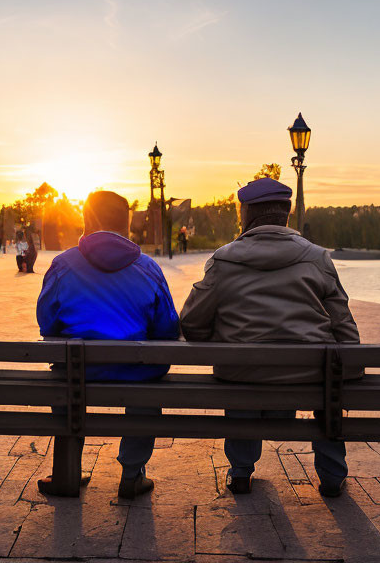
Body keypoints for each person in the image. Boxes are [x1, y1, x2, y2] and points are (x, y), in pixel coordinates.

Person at [179, 177, 360, 498]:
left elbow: (192, 324)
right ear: (286, 215)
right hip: (308, 380)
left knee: (239, 383)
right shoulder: (318, 258)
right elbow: (344, 328)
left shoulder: (223, 260)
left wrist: (226, 336)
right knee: (328, 388)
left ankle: (240, 472)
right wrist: (349, 372)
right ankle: (332, 476)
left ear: (245, 213)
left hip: (241, 377)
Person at [36, 190, 180, 499]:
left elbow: (47, 325)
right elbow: (168, 329)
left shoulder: (62, 265)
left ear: (87, 221)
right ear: (126, 225)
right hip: (137, 374)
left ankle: (67, 470)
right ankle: (132, 473)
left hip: (78, 373)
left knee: (63, 379)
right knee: (148, 385)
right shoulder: (148, 268)